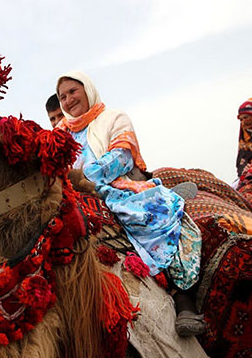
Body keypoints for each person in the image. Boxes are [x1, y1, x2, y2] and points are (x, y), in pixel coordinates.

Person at [56, 71, 204, 335]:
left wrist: (84, 177)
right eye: (62, 96)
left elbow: (122, 157)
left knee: (157, 216)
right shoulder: (59, 133)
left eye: (73, 91)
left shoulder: (114, 118)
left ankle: (183, 297)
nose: (68, 100)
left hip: (117, 185)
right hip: (72, 193)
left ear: (87, 89)